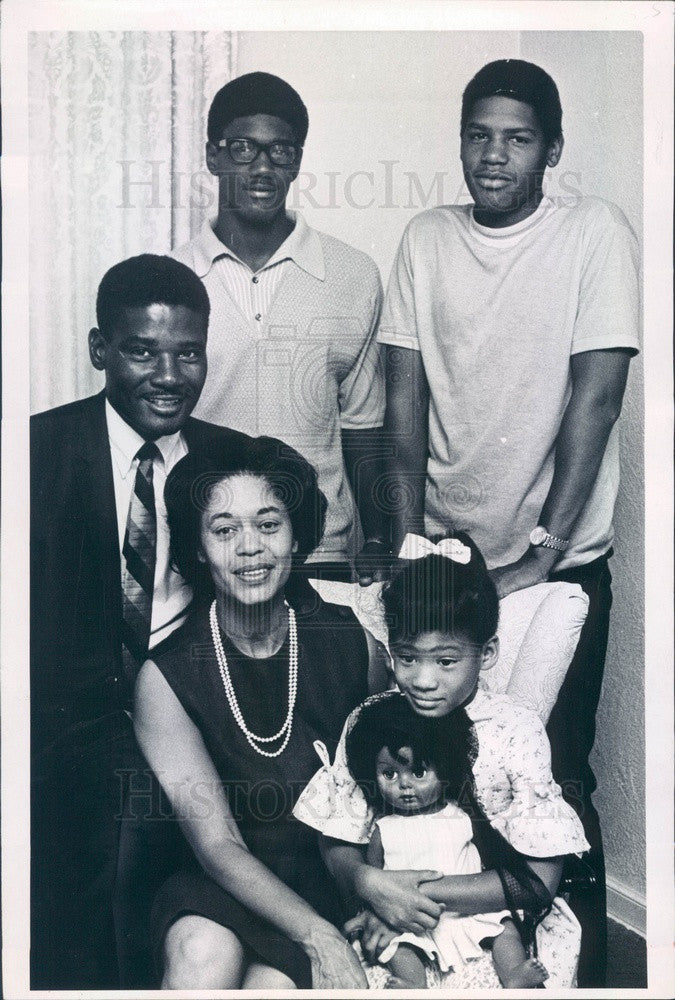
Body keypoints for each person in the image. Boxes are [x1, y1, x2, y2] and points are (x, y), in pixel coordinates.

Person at [377, 59, 640, 985]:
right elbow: (402, 405)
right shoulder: (424, 237)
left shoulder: (593, 233)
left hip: (557, 562)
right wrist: (411, 548)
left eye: (517, 137)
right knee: (438, 770)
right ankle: (459, 964)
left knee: (551, 776)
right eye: (479, 135)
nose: (493, 155)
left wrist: (541, 555)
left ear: (551, 149)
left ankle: (583, 973)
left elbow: (596, 399)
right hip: (445, 557)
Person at [30, 254, 250, 988]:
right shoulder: (34, 454)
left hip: (194, 711)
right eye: (141, 350)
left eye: (188, 353)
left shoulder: (231, 462)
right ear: (100, 351)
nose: (169, 374)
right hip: (63, 714)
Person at [133, 435, 390, 989]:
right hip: (224, 879)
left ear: (296, 536)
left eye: (268, 524)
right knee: (201, 953)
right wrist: (317, 935)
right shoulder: (167, 677)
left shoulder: (354, 645)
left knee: (269, 990)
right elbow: (216, 843)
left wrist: (371, 890)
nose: (250, 547)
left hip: (328, 876)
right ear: (198, 549)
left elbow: (388, 796)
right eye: (224, 530)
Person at [294, 532, 590, 989]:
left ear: (486, 653)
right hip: (390, 923)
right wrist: (367, 884)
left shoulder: (515, 729)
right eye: (407, 658)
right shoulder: (369, 721)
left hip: (495, 919)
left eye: (446, 661)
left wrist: (411, 894)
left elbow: (538, 881)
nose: (424, 680)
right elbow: (337, 834)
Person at [172, 71, 387, 582]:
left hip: (322, 557)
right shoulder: (172, 283)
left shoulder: (353, 275)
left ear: (298, 162)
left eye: (282, 151)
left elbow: (363, 427)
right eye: (243, 148)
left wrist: (378, 538)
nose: (263, 167)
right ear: (213, 156)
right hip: (208, 556)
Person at [345, 693, 549, 989]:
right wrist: (374, 909)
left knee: (504, 928)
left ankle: (513, 973)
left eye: (418, 772)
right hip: (410, 914)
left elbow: (486, 862)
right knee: (400, 948)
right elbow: (373, 879)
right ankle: (412, 984)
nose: (404, 784)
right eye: (389, 774)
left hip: (466, 909)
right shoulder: (383, 828)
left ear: (444, 771)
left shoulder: (462, 816)